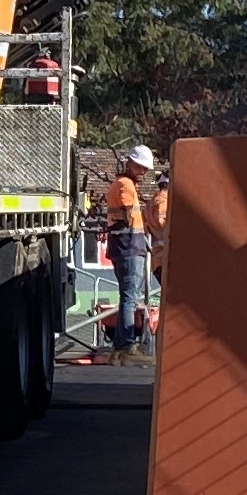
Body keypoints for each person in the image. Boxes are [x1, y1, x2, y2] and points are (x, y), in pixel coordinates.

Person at [98, 144, 161, 354]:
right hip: (128, 247)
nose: (142, 172)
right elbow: (127, 213)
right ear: (130, 163)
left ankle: (121, 344)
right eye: (140, 167)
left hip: (127, 247)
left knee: (128, 296)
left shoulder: (122, 183)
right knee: (129, 297)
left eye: (145, 169)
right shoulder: (125, 185)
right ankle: (126, 345)